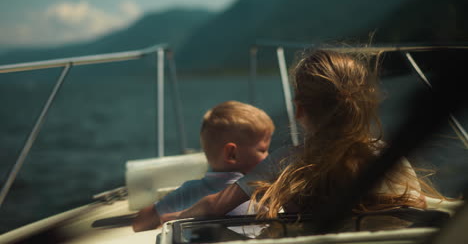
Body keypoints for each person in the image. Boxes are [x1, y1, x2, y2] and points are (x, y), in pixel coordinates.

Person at [160, 49, 440, 224]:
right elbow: (418, 209)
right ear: (365, 106)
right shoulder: (390, 158)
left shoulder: (285, 163)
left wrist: (173, 218)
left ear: (299, 109)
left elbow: (214, 206)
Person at [132, 100, 275, 232]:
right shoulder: (257, 194)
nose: (268, 157)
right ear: (232, 154)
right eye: (262, 150)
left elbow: (140, 223)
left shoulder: (187, 191)